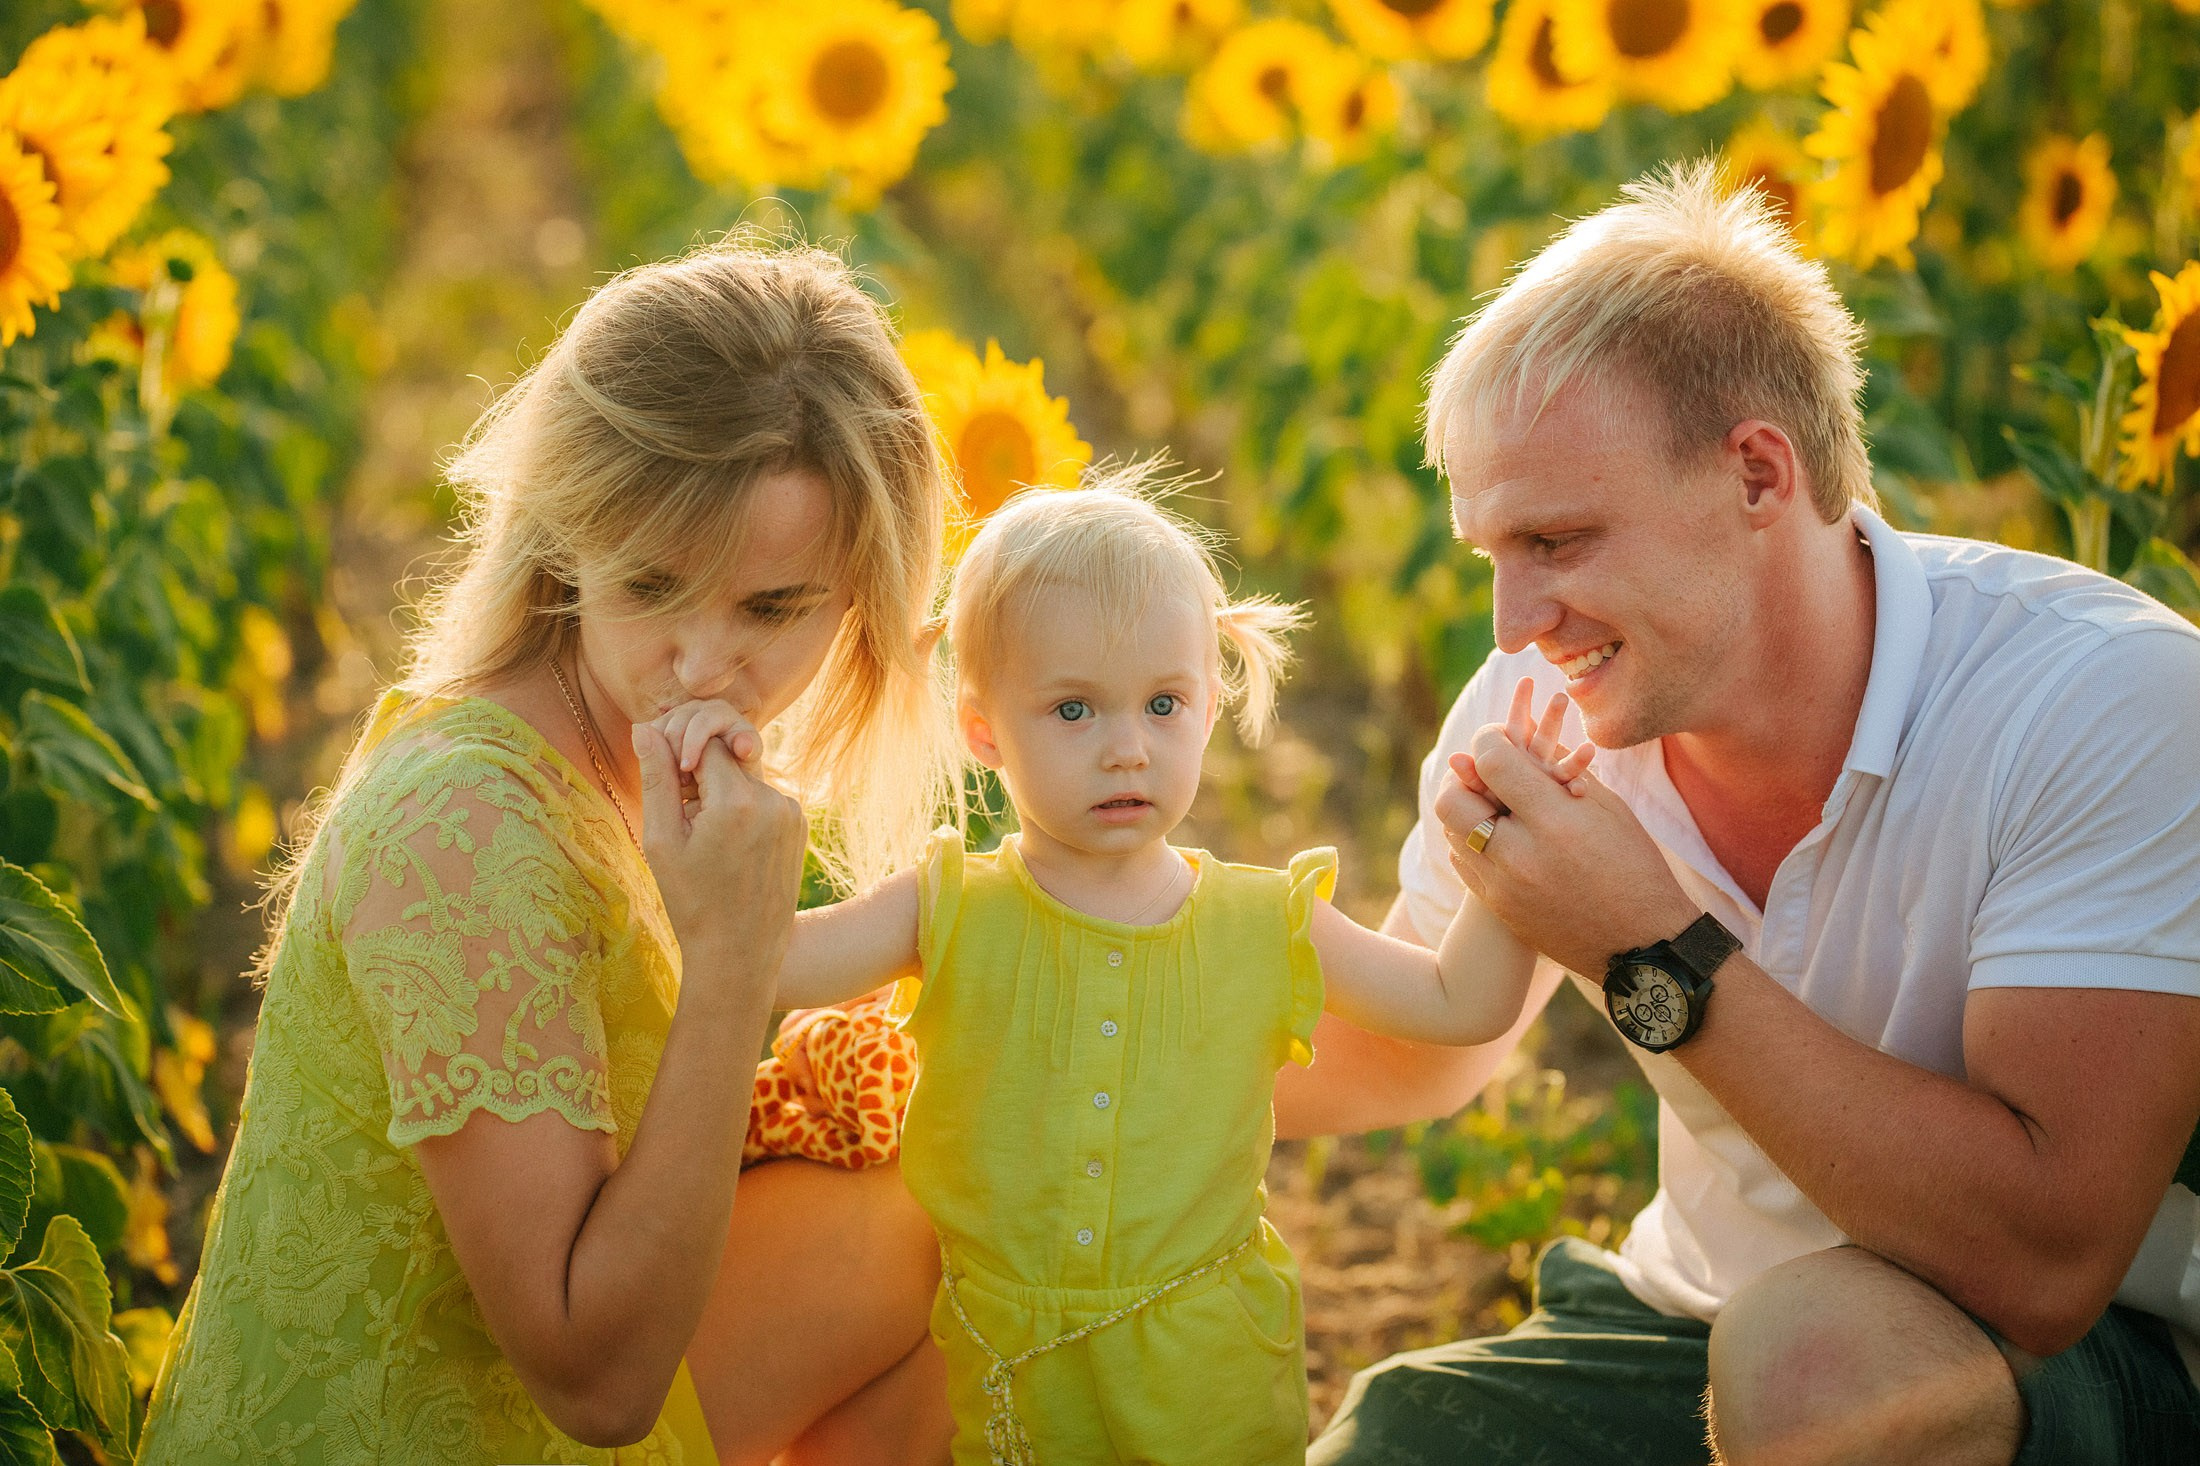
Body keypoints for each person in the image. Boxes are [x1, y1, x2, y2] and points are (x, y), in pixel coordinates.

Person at [1284, 162, 2200, 1465]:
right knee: (1398, 1436)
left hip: (2065, 1366)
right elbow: (1423, 1041)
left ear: (1759, 475)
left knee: (1818, 1371)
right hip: (1692, 1323)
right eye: (1493, 555)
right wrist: (1038, 1053)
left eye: (1559, 540)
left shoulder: (2101, 698)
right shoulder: (1551, 690)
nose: (1513, 621)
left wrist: (1647, 948)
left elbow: (2046, 1257)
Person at [139, 239, 962, 1464]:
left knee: (957, 1194)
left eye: (772, 607)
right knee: (934, 1223)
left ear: (863, 593)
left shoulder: (624, 763)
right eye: (651, 585)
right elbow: (594, 1379)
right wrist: (734, 968)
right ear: (561, 542)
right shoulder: (462, 830)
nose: (701, 664)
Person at [656, 473, 1591, 1463]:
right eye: (1073, 710)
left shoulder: (1264, 918)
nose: (1126, 749)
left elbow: (1460, 1001)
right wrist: (719, 799)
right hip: (1005, 1358)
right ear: (982, 728)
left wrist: (1510, 834)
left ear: (1209, 702)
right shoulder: (947, 906)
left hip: (1199, 1365)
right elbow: (767, 964)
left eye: (1161, 703)